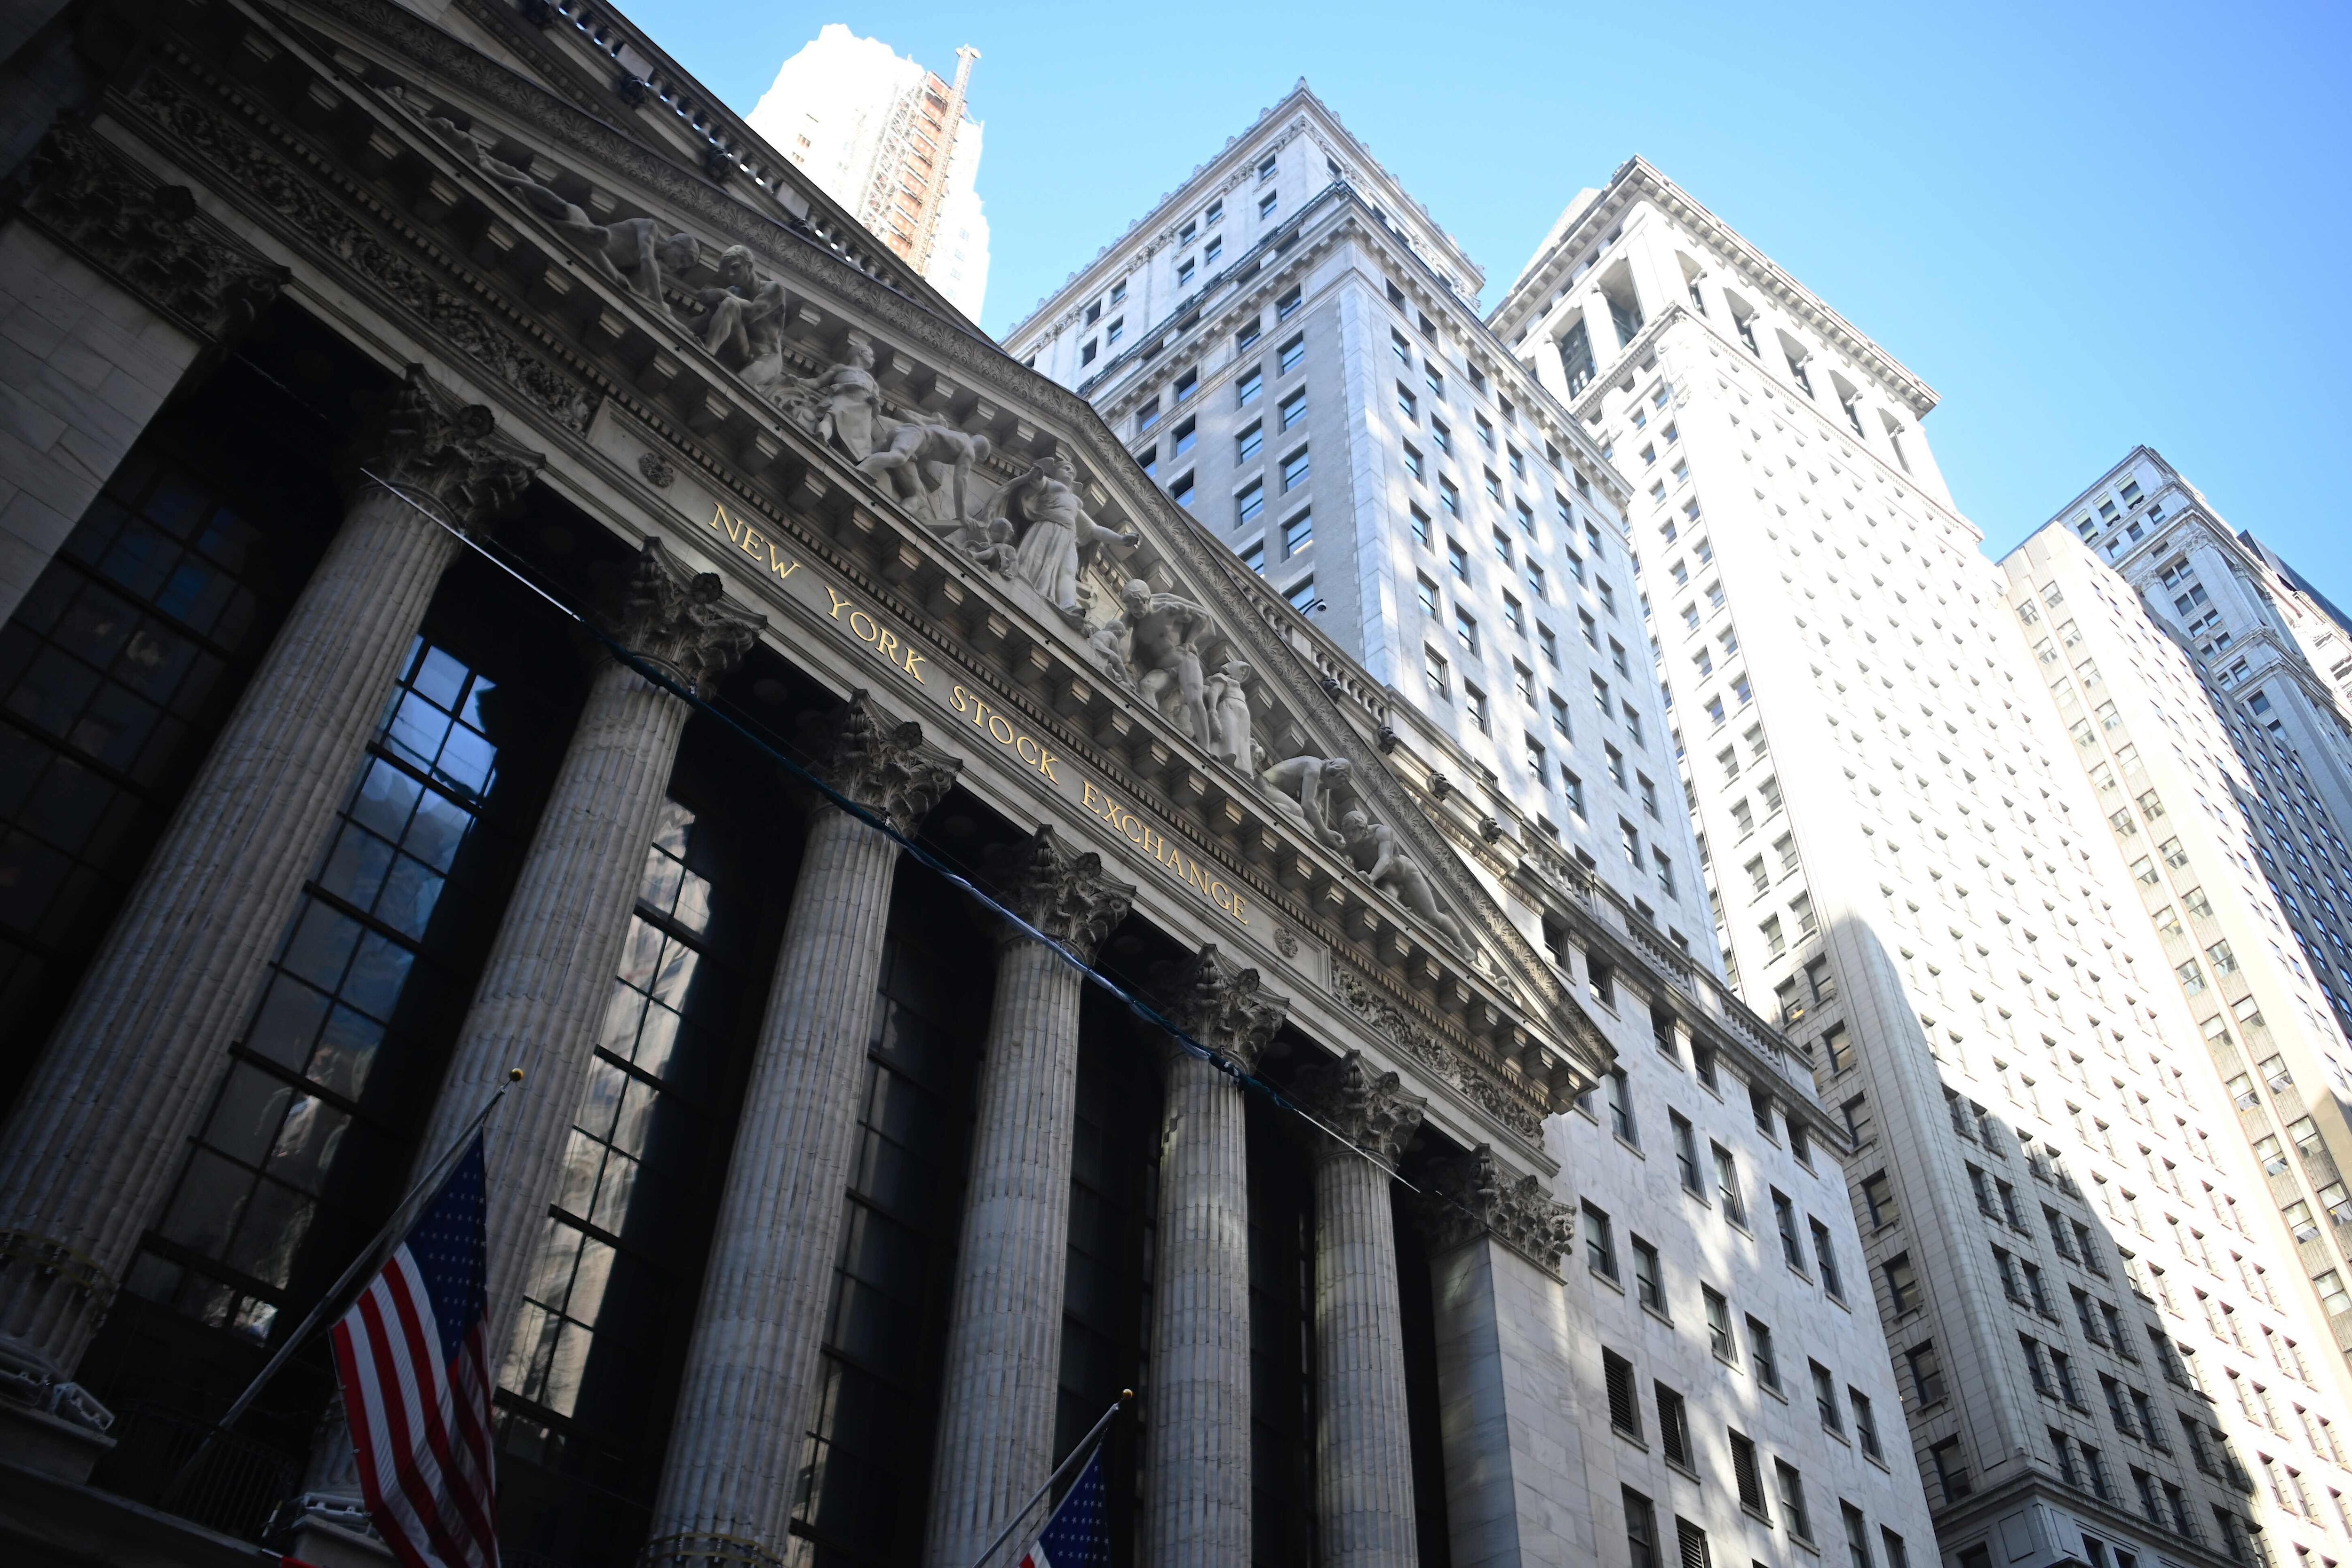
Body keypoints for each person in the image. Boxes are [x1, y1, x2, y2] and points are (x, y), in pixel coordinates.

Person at [999, 451, 1137, 622]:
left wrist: (1121, 540)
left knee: (1069, 571)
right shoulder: (1051, 485)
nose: (1070, 472)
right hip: (1049, 528)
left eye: (1072, 471)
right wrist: (1037, 475)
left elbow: (1094, 529)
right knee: (1035, 559)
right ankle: (1025, 582)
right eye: (1066, 468)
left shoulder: (1075, 502)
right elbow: (1036, 483)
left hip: (1068, 537)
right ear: (1055, 472)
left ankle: (1068, 604)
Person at [1341, 810, 1466, 948]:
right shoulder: (1352, 843)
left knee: (1433, 915)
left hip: (1406, 875)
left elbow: (1386, 859)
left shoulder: (1382, 832)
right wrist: (1348, 858)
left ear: (1362, 827)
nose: (1350, 835)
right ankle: (1419, 926)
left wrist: (1371, 877)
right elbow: (1347, 852)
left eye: (1352, 830)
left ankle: (1462, 945)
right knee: (1389, 902)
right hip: (1385, 881)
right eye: (1347, 832)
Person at [1258, 754, 1352, 848]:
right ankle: (1307, 837)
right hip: (1265, 785)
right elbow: (1308, 804)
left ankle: (1307, 839)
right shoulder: (1314, 768)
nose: (1337, 787)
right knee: (1297, 812)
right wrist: (1325, 834)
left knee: (1317, 806)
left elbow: (1313, 810)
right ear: (1333, 773)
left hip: (1277, 793)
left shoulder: (1320, 779)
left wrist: (1327, 832)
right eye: (1339, 783)